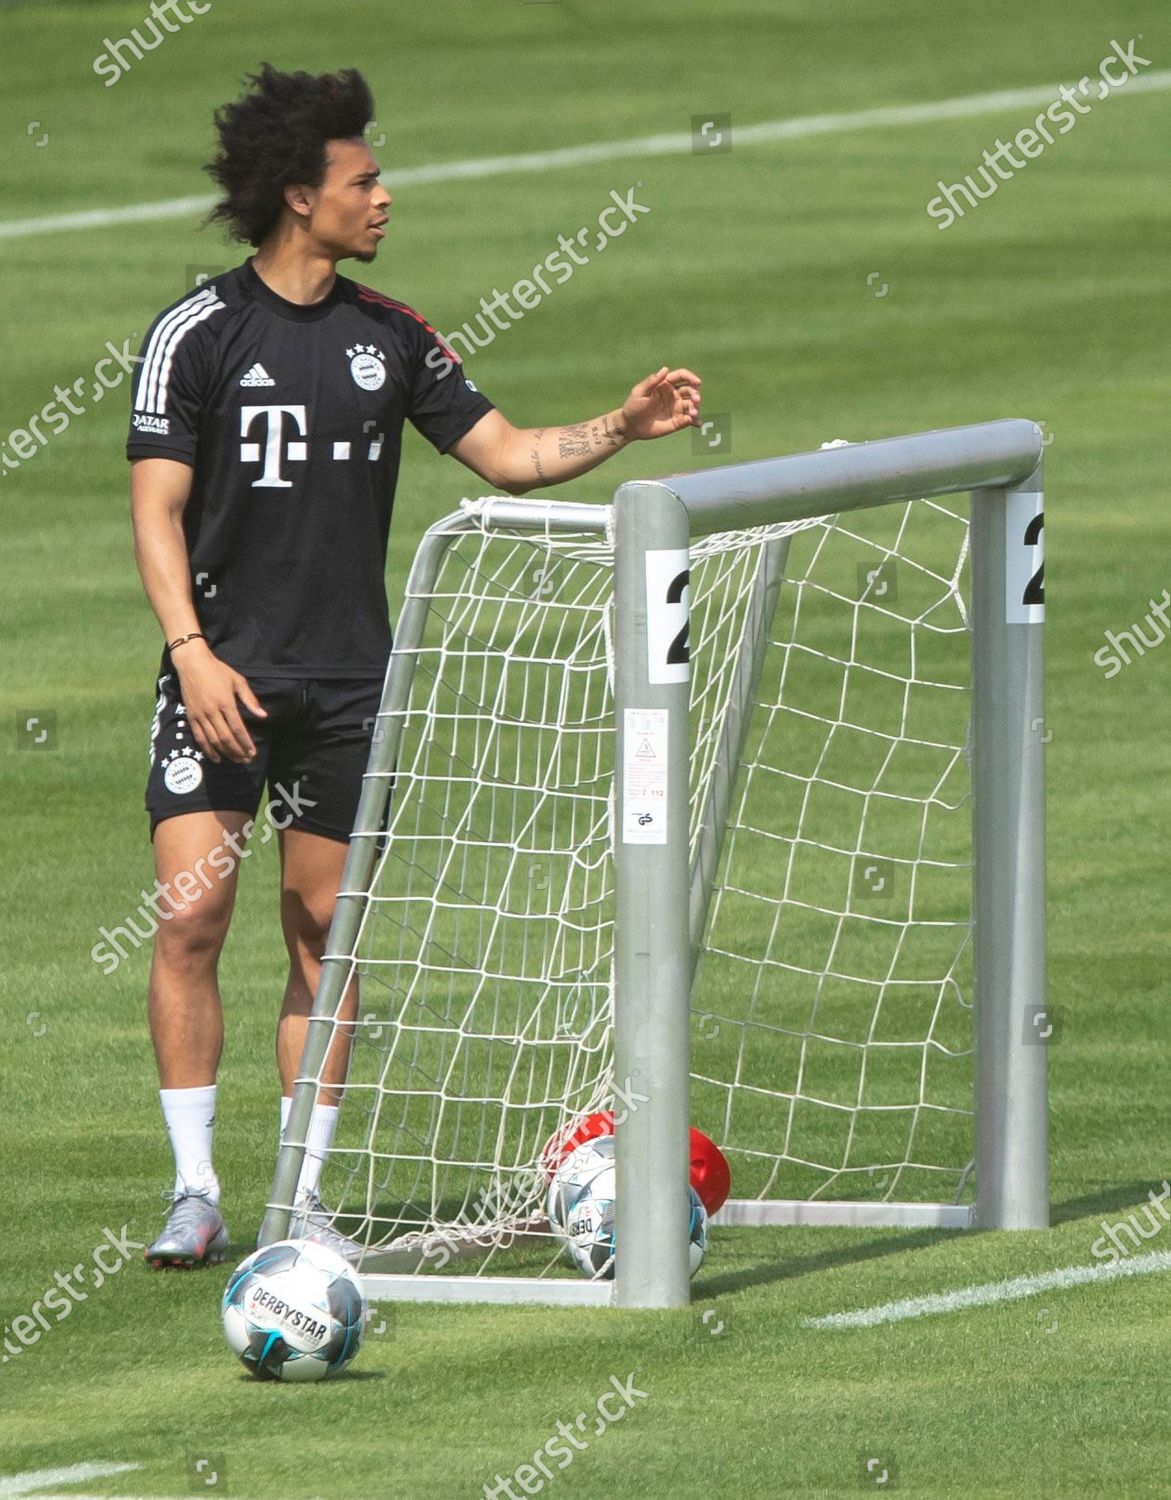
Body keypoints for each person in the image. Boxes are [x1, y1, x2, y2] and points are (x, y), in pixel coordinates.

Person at [128, 62, 702, 1267]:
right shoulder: (199, 332)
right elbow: (157, 510)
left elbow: (508, 456)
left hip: (346, 687)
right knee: (194, 920)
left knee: (322, 936)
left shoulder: (394, 339)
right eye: (363, 179)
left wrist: (617, 425)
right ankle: (194, 1191)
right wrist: (190, 657)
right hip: (218, 677)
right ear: (301, 197)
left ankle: (301, 1202)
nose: (385, 196)